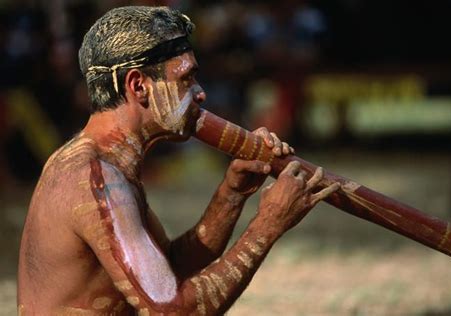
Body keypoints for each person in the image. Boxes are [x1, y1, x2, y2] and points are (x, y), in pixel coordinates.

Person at [17, 6, 340, 315]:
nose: (199, 93)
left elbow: (167, 270)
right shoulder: (96, 180)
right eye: (185, 79)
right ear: (138, 86)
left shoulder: (102, 165)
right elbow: (171, 310)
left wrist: (231, 195)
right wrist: (266, 227)